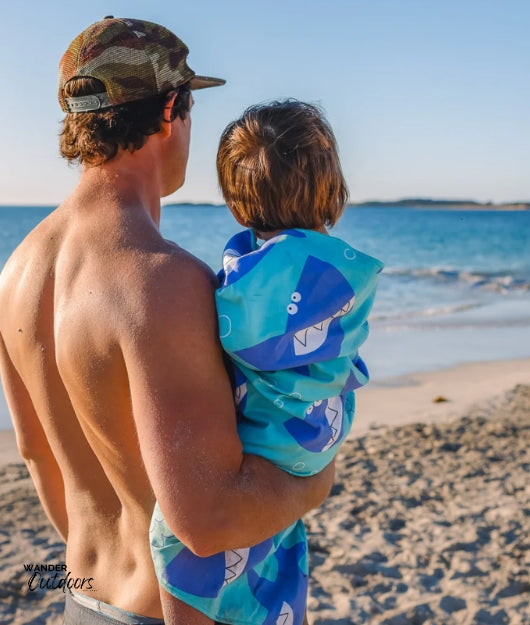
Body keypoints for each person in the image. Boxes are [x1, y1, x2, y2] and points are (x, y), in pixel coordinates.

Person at [0, 18, 334, 625]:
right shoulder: (163, 281)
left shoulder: (15, 273)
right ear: (171, 108)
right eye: (190, 109)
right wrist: (317, 482)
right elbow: (207, 522)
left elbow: (36, 454)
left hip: (83, 598)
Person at [150, 100, 383, 625]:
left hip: (275, 439)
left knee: (173, 540)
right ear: (335, 194)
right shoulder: (338, 271)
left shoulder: (251, 288)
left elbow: (240, 337)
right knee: (276, 535)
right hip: (317, 438)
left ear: (236, 207)